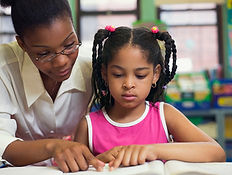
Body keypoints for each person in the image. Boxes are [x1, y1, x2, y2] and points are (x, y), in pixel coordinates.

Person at [75, 25, 226, 170]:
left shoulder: (165, 115)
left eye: (140, 75)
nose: (128, 84)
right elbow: (77, 169)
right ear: (104, 74)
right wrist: (101, 160)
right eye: (118, 75)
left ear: (155, 74)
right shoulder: (88, 126)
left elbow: (216, 153)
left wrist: (153, 150)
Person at [0, 0, 105, 173]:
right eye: (44, 53)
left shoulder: (92, 67)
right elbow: (1, 141)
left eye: (70, 44)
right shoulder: (4, 67)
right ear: (22, 44)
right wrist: (52, 147)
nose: (61, 61)